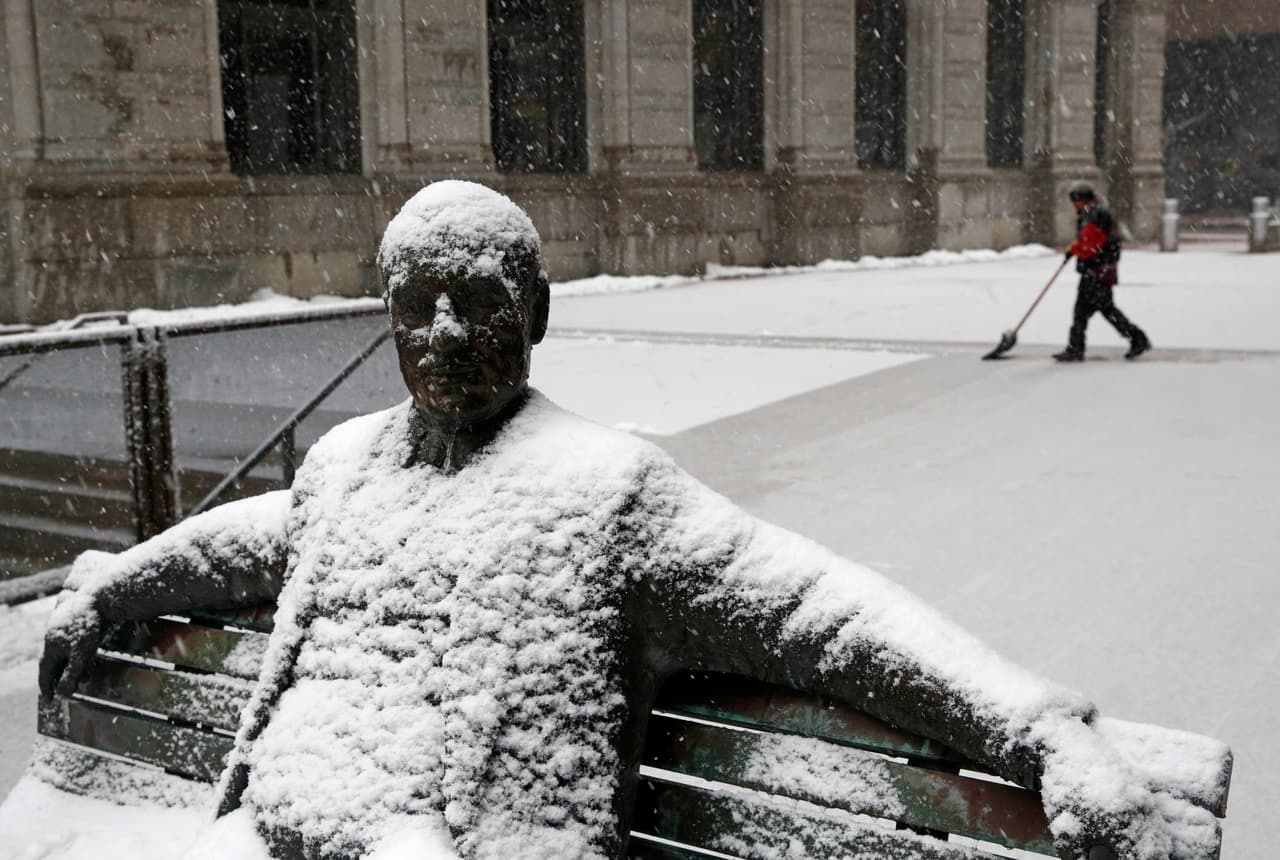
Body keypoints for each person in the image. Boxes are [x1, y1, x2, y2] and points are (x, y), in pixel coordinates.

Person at [39, 181, 1216, 860]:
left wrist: (1038, 731)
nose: (443, 333)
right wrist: (111, 587)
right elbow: (233, 546)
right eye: (416, 306)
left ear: (537, 311)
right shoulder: (346, 469)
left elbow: (824, 616)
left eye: (477, 303)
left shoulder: (607, 496)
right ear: (386, 318)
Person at [1054, 180, 1151, 362]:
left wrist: (1073, 250)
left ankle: (1077, 348)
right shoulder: (1096, 212)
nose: (1074, 205)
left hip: (1096, 271)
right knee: (1098, 311)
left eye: (1076, 201)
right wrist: (1075, 248)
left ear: (1083, 200)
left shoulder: (1095, 215)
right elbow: (1090, 241)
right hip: (1100, 269)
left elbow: (1091, 245)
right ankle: (1136, 339)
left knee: (1090, 311)